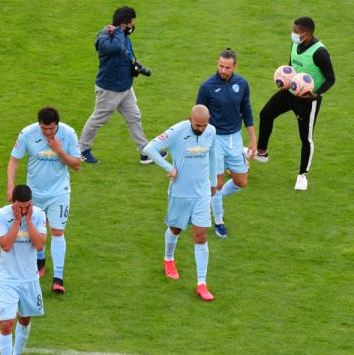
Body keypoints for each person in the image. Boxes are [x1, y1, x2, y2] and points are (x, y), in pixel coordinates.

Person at [142, 105, 217, 301]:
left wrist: (213, 183)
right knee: (175, 229)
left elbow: (212, 156)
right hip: (180, 192)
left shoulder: (211, 131)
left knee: (200, 234)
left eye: (204, 125)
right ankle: (168, 259)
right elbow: (149, 148)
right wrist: (169, 168)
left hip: (202, 193)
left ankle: (202, 283)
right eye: (197, 125)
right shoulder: (177, 131)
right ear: (189, 119)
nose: (201, 129)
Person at [255, 16, 335, 191]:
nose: (293, 34)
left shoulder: (320, 53)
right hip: (289, 92)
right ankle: (261, 152)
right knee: (266, 113)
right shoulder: (295, 44)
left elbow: (331, 78)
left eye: (296, 31)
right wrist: (286, 79)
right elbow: (292, 64)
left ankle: (302, 175)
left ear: (306, 34)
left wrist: (316, 94)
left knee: (306, 138)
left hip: (307, 101)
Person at [7, 107, 81, 294]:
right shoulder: (27, 133)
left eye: (52, 129)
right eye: (44, 128)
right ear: (39, 124)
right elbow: (14, 159)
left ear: (57, 125)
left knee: (57, 231)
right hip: (34, 193)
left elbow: (76, 165)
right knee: (35, 228)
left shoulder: (69, 134)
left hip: (59, 193)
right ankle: (40, 261)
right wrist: (10, 185)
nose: (48, 132)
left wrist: (59, 150)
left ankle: (58, 278)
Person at [79, 6, 164, 164]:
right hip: (109, 89)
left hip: (125, 87)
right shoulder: (105, 36)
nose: (133, 28)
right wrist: (118, 31)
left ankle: (145, 152)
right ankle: (82, 150)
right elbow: (115, 47)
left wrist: (135, 65)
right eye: (131, 25)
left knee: (134, 117)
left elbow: (126, 53)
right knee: (98, 119)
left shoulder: (121, 35)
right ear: (123, 25)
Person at [196, 49, 256, 239]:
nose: (223, 70)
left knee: (241, 181)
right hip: (215, 140)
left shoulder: (242, 84)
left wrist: (253, 138)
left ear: (235, 66)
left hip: (235, 139)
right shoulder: (207, 87)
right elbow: (198, 115)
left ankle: (210, 199)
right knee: (217, 183)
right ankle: (219, 222)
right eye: (221, 66)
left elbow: (246, 110)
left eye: (227, 67)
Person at [0, 184, 47, 355]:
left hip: (29, 279)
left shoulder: (39, 215)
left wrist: (29, 221)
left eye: (27, 206)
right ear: (13, 202)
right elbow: (6, 245)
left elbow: (39, 244)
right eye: (21, 207)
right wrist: (17, 221)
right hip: (8, 280)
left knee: (25, 320)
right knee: (6, 325)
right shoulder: (0, 215)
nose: (24, 210)